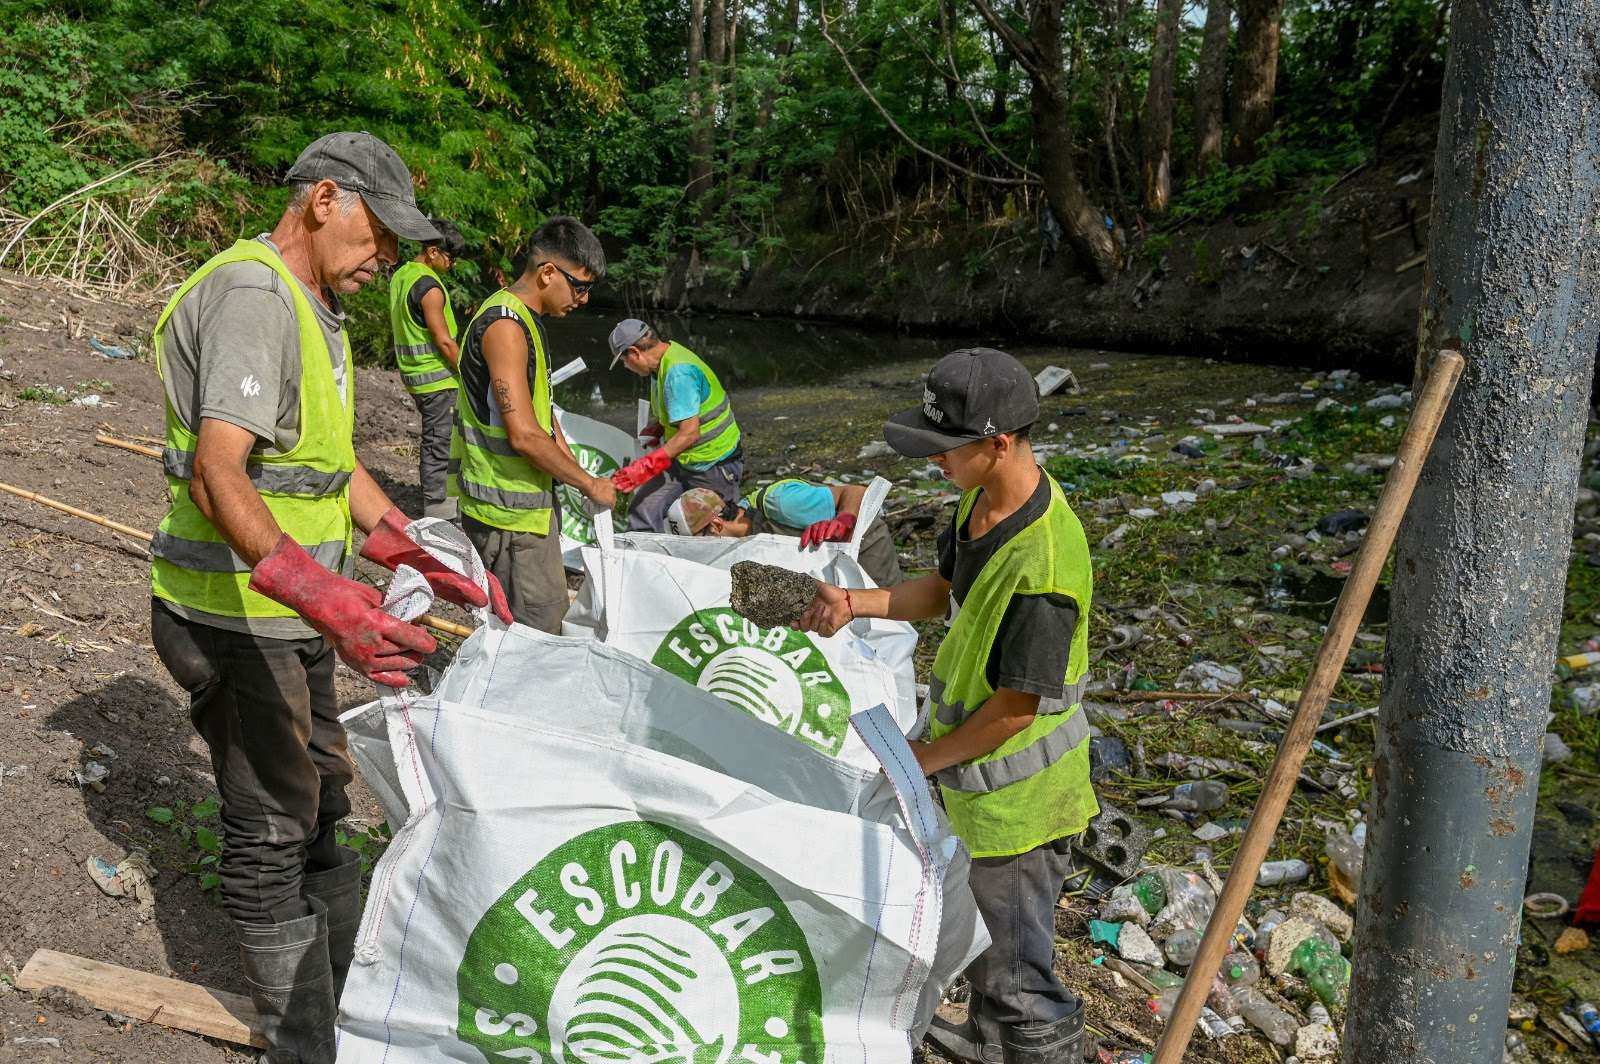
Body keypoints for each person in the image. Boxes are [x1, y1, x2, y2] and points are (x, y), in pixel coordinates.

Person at [147, 132, 511, 1064]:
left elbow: (327, 467)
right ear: (325, 201)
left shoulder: (312, 305)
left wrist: (410, 553)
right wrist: (333, 602)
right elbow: (216, 472)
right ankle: (302, 1043)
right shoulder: (253, 295)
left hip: (291, 609)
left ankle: (355, 1007)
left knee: (323, 803)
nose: (386, 259)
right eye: (378, 235)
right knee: (271, 827)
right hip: (235, 613)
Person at [793, 348, 1095, 1064]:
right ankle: (991, 1042)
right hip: (976, 782)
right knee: (989, 939)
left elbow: (1018, 709)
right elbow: (942, 590)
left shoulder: (1045, 567)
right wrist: (855, 604)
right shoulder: (980, 503)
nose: (934, 462)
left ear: (999, 443)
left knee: (1023, 973)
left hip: (1022, 801)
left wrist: (921, 761)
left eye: (944, 449)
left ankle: (1039, 1050)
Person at [448, 216, 616, 632]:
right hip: (507, 517)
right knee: (538, 631)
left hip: (526, 509)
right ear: (546, 273)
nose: (583, 299)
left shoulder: (525, 320)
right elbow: (523, 434)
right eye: (580, 286)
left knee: (530, 628)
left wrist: (572, 467)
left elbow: (544, 414)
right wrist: (589, 485)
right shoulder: (506, 327)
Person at [608, 319, 743, 532]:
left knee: (715, 528)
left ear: (634, 352)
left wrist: (643, 468)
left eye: (624, 361)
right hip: (682, 459)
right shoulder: (660, 365)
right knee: (644, 510)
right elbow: (684, 410)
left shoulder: (678, 373)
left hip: (714, 464)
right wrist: (660, 427)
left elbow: (689, 434)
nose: (626, 367)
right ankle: (641, 556)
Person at [664, 480, 904, 586]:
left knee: (882, 626)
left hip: (864, 545)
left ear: (716, 526)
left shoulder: (782, 503)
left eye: (700, 543)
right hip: (827, 567)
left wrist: (844, 519)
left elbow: (856, 492)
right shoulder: (742, 538)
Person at [388, 217, 467, 518]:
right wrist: (470, 373)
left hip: (414, 375)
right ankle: (437, 509)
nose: (453, 264)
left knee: (436, 437)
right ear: (433, 252)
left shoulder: (401, 276)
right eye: (451, 257)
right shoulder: (430, 287)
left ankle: (439, 501)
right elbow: (445, 342)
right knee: (440, 441)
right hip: (437, 379)